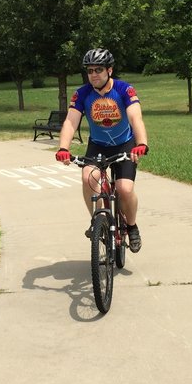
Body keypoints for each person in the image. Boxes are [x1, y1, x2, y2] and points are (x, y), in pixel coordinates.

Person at [55, 48, 149, 252]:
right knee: (87, 177)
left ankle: (132, 226)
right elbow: (71, 121)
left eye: (98, 69)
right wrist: (63, 147)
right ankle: (98, 222)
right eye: (90, 70)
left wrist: (141, 143)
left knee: (125, 188)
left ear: (110, 70)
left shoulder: (124, 90)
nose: (94, 74)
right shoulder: (82, 94)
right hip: (98, 145)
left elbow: (135, 118)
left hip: (124, 144)